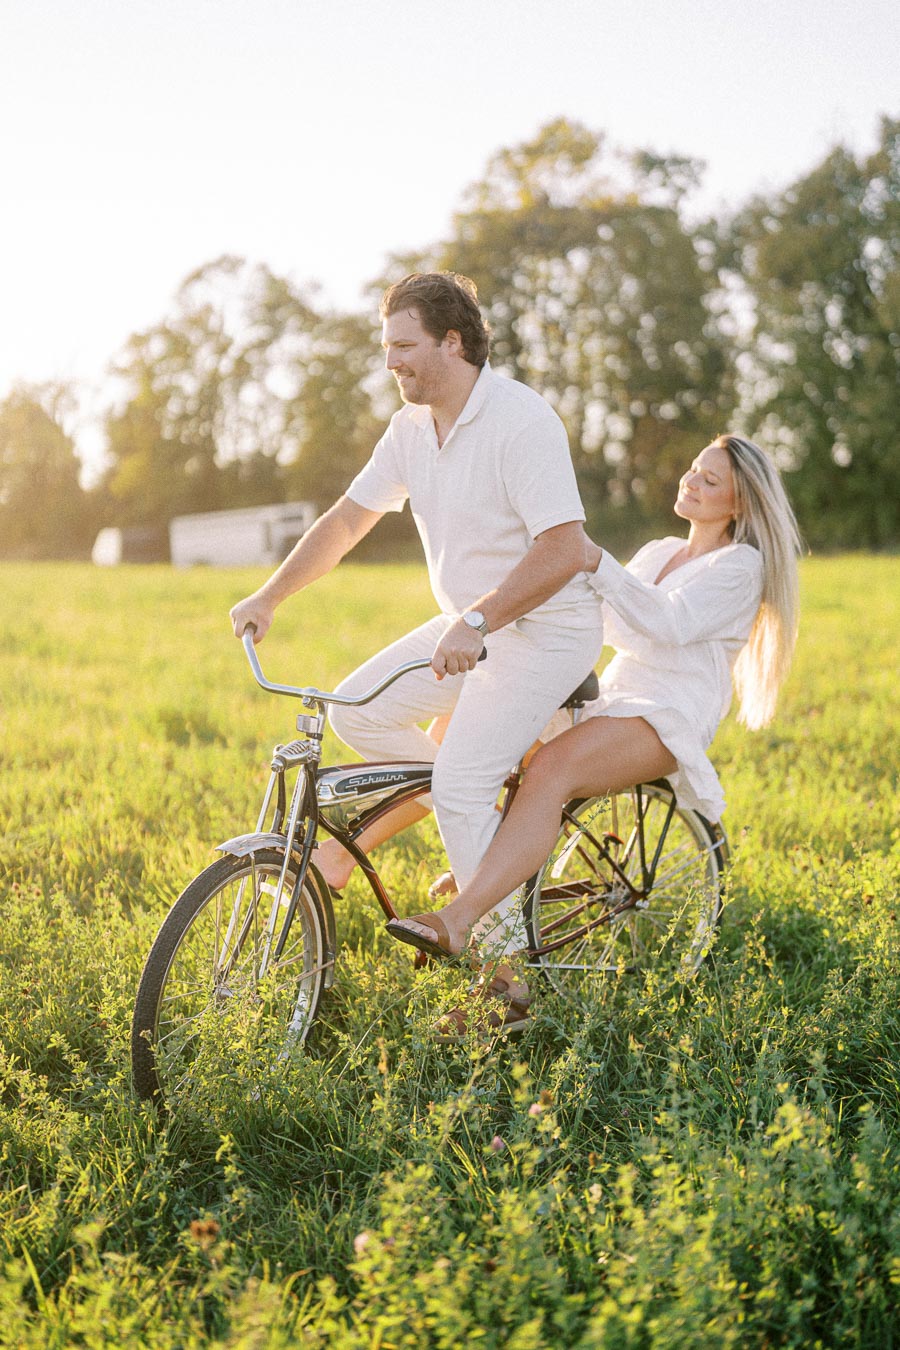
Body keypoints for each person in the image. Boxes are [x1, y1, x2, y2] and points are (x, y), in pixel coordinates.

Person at [230, 272, 604, 951]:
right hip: (474, 626)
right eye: (386, 347)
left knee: (457, 784)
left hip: (547, 630)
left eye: (404, 345)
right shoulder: (409, 430)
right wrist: (270, 595)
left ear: (452, 342)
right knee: (356, 711)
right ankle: (494, 825)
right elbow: (347, 521)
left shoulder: (521, 421)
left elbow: (567, 547)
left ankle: (505, 983)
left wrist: (479, 621)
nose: (391, 361)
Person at [384, 434, 802, 1034]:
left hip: (666, 713)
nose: (691, 481)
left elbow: (667, 623)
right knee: (475, 727)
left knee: (550, 768)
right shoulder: (660, 551)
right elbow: (605, 621)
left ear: (739, 504)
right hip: (612, 700)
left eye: (711, 481)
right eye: (693, 468)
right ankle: (463, 869)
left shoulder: (741, 566)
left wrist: (593, 559)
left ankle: (465, 916)